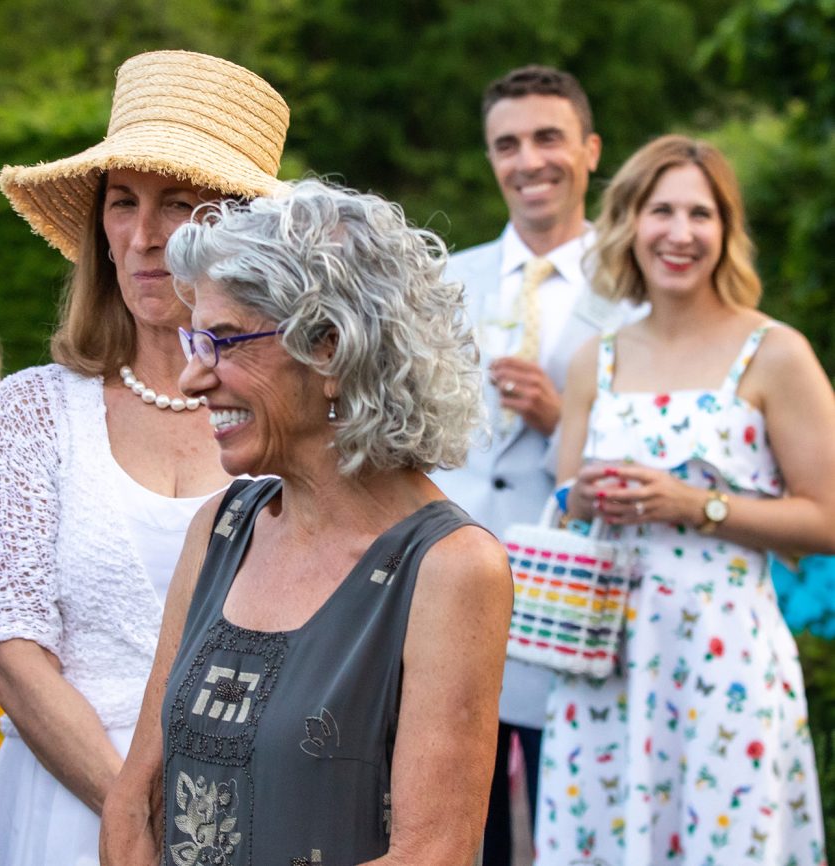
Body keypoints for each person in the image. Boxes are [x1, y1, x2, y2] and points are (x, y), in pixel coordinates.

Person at [100, 179, 512, 865]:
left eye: (224, 342)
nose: (194, 378)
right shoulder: (221, 531)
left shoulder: (449, 568)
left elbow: (434, 851)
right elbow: (134, 799)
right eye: (193, 341)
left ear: (330, 349)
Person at [0, 50, 288, 866]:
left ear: (242, 227)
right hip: (65, 810)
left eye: (179, 203)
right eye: (122, 203)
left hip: (257, 810)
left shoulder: (295, 419)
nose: (144, 237)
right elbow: (10, 647)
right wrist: (132, 812)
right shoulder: (35, 410)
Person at [539, 135, 834, 865]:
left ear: (726, 231)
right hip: (605, 660)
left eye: (700, 214)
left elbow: (827, 518)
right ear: (629, 223)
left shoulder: (775, 353)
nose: (679, 233)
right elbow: (567, 499)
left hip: (723, 665)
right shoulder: (593, 360)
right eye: (660, 210)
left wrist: (692, 503)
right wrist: (588, 495)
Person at [433, 64, 628, 864]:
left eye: (548, 138)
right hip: (449, 598)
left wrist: (560, 422)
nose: (528, 160)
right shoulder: (446, 278)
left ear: (588, 150)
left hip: (575, 603)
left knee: (568, 832)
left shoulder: (637, 290)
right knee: (451, 826)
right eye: (506, 144)